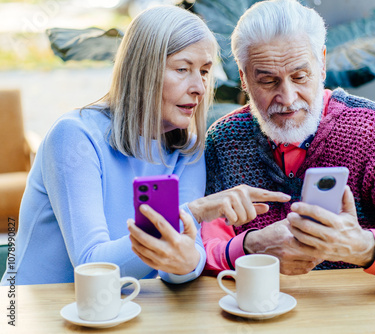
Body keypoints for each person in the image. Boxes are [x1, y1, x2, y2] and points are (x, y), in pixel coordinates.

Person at [1, 5, 289, 285]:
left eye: (203, 71)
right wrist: (195, 211)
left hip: (125, 310)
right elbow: (92, 266)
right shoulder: (75, 136)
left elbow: (182, 266)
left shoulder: (186, 151)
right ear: (143, 70)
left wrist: (186, 261)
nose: (199, 87)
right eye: (182, 69)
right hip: (36, 313)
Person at [201, 0, 375, 283]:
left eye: (300, 76)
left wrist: (364, 248)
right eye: (268, 81)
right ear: (244, 78)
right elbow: (200, 253)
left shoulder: (372, 130)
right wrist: (250, 247)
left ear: (323, 63)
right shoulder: (223, 141)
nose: (288, 98)